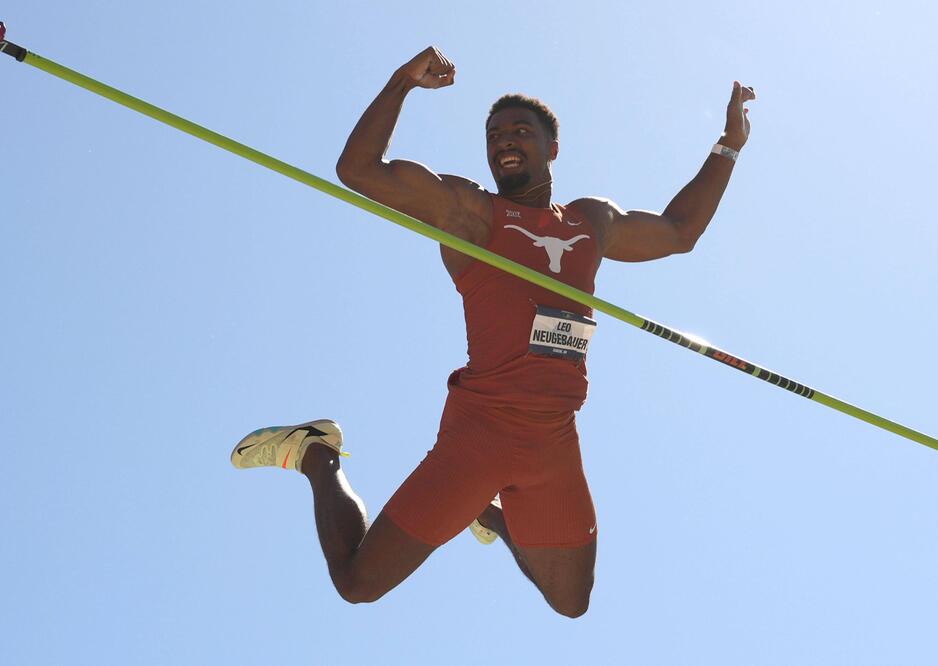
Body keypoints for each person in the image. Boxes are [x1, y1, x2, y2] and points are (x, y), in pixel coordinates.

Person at [230, 46, 755, 618]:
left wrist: (728, 146)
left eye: (520, 131)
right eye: (494, 133)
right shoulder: (468, 213)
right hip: (483, 431)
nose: (504, 139)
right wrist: (401, 83)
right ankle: (315, 454)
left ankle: (491, 514)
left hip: (553, 436)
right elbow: (358, 171)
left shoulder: (591, 222)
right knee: (358, 582)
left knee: (570, 602)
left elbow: (679, 232)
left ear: (552, 149)